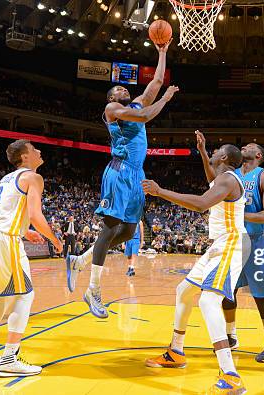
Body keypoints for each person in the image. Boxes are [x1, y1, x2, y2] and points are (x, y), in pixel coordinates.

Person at [65, 39, 179, 318]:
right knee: (110, 227)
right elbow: (146, 116)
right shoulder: (113, 111)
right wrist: (165, 99)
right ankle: (93, 291)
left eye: (125, 87)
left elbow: (155, 84)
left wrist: (162, 53)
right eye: (117, 89)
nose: (123, 89)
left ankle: (79, 260)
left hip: (137, 174)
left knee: (128, 232)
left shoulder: (137, 103)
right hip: (119, 171)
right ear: (111, 98)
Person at [142, 144, 250, 395]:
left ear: (223, 157)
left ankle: (230, 374)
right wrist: (201, 151)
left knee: (208, 301)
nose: (212, 153)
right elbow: (211, 179)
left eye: (215, 151)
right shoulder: (222, 179)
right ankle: (176, 352)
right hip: (220, 244)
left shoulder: (229, 180)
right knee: (184, 291)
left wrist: (160, 191)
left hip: (232, 242)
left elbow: (202, 204)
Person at [0, 139, 62, 377]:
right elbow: (36, 215)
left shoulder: (6, 178)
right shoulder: (33, 177)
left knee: (3, 298)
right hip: (3, 240)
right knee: (25, 295)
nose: (39, 151)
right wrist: (55, 240)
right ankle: (10, 357)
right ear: (25, 157)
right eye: (34, 148)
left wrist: (24, 230)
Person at [195, 131, 264, 362]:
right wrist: (203, 151)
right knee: (227, 291)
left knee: (260, 296)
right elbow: (212, 181)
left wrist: (241, 214)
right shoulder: (233, 176)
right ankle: (231, 336)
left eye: (249, 146)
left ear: (258, 154)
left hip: (258, 243)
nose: (244, 146)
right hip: (236, 241)